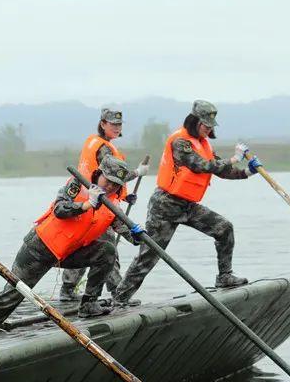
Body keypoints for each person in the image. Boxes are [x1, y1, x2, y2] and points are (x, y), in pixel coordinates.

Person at [0, 155, 142, 346]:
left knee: (107, 250)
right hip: (40, 248)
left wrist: (138, 234)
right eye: (108, 182)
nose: (110, 187)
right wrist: (86, 204)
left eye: (115, 185)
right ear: (100, 174)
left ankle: (89, 303)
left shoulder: (113, 202)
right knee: (14, 292)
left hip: (69, 253)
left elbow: (125, 230)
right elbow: (60, 209)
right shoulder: (78, 184)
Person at [112, 100, 262, 306]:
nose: (208, 130)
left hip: (188, 205)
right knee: (150, 255)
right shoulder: (180, 142)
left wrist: (248, 172)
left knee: (224, 228)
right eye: (205, 126)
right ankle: (119, 298)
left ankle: (225, 276)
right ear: (194, 122)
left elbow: (220, 169)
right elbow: (201, 166)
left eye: (211, 127)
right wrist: (235, 158)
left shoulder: (205, 144)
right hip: (165, 205)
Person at [59, 108, 148, 302]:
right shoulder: (105, 149)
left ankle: (67, 291)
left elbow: (104, 180)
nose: (117, 128)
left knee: (86, 246)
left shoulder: (93, 142)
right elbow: (113, 176)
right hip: (98, 204)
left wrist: (124, 197)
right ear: (103, 124)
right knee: (108, 249)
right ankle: (118, 293)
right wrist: (137, 172)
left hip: (88, 202)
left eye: (119, 125)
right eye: (113, 124)